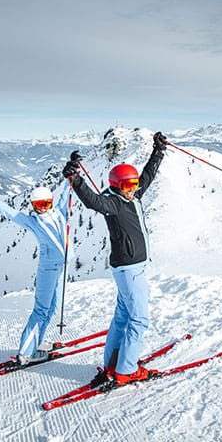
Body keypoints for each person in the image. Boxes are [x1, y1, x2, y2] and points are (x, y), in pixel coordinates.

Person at [63, 131, 167, 385]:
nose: (133, 189)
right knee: (139, 319)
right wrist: (76, 179)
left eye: (134, 185)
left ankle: (113, 362)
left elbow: (147, 177)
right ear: (116, 186)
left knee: (122, 316)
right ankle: (127, 370)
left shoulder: (134, 196)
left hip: (132, 268)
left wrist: (158, 152)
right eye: (127, 186)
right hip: (129, 270)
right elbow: (92, 201)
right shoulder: (114, 204)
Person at [0, 179, 69, 366]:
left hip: (61, 268)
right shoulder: (33, 222)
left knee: (51, 309)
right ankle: (26, 353)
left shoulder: (60, 212)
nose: (43, 209)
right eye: (39, 205)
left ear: (51, 201)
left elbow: (67, 191)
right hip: (48, 270)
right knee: (41, 310)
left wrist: (71, 173)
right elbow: (10, 212)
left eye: (46, 204)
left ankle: (35, 343)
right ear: (33, 206)